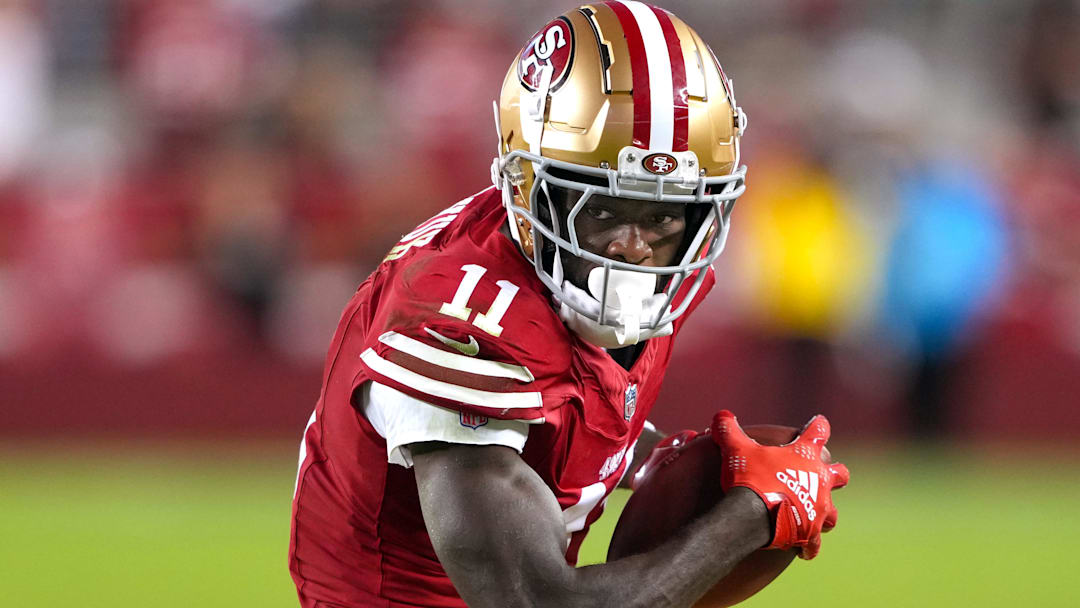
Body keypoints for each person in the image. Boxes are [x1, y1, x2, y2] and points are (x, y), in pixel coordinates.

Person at [289, 3, 849, 607]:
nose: (634, 249)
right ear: (529, 189)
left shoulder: (619, 268)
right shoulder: (462, 322)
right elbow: (539, 603)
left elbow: (567, 405)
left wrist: (661, 460)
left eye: (664, 215)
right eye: (602, 210)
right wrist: (751, 514)